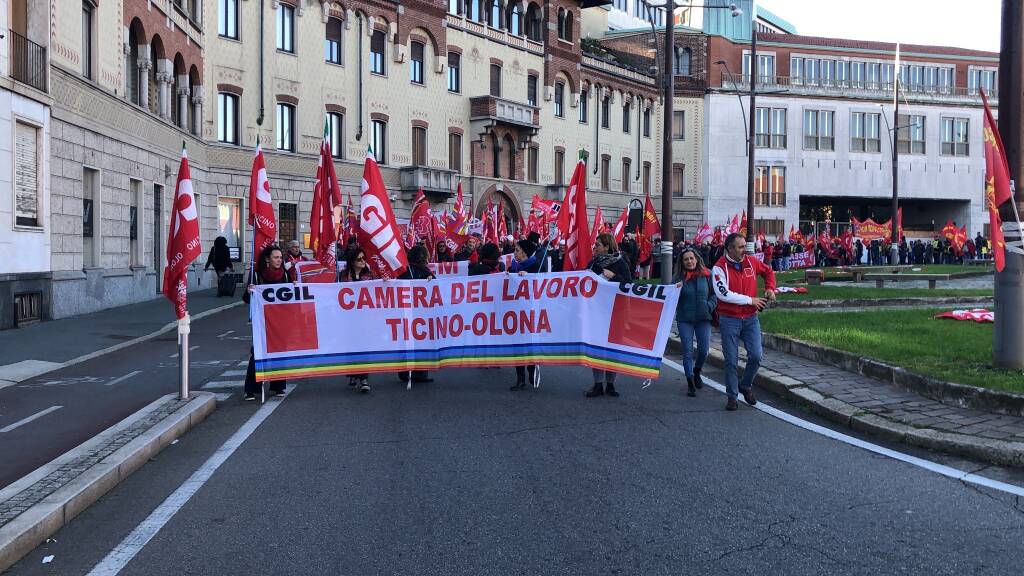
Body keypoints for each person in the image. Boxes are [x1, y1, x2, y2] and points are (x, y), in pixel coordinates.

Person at [712, 233, 776, 411]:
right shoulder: (719, 268)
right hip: (729, 319)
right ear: (729, 249)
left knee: (756, 355)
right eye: (740, 247)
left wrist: (770, 288)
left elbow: (768, 271)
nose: (744, 250)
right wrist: (751, 300)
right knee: (731, 361)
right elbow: (723, 294)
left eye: (745, 246)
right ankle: (732, 397)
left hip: (750, 319)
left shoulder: (751, 262)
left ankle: (745, 385)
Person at [243, 244, 294, 401]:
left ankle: (278, 385)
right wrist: (249, 291)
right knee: (258, 352)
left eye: (280, 258)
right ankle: (252, 388)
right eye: (276, 257)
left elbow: (292, 296)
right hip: (262, 320)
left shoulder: (285, 275)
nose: (279, 260)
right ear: (267, 259)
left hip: (281, 320)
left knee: (280, 351)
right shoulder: (257, 275)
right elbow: (245, 299)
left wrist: (295, 288)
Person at [585, 233, 633, 398]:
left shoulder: (621, 263)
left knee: (613, 348)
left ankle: (611, 383)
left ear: (606, 247)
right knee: (597, 347)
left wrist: (614, 277)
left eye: (597, 245)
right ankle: (598, 384)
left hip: (616, 312)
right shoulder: (592, 264)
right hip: (597, 311)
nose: (595, 247)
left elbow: (628, 286)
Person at [674, 248, 716, 397]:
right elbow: (670, 297)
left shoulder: (707, 275)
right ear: (682, 262)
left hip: (703, 318)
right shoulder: (678, 278)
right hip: (685, 319)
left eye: (691, 258)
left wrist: (710, 305)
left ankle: (697, 371)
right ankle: (690, 382)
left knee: (704, 350)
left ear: (697, 259)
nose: (689, 261)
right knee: (687, 351)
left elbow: (715, 294)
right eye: (686, 259)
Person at [398, 245, 436, 384]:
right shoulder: (424, 272)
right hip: (420, 315)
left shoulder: (403, 270)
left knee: (405, 342)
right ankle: (420, 373)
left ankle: (403, 372)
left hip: (404, 313)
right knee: (420, 343)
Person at [508, 239, 541, 391]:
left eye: (517, 250)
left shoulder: (536, 266)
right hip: (515, 312)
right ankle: (520, 378)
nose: (514, 253)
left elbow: (545, 284)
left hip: (532, 312)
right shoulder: (513, 267)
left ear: (525, 253)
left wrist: (529, 277)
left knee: (531, 344)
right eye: (515, 249)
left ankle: (532, 372)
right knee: (518, 346)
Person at [342, 248, 373, 393]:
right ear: (352, 261)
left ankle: (364, 378)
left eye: (364, 258)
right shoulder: (342, 276)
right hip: (348, 318)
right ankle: (353, 373)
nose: (363, 261)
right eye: (359, 259)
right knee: (351, 347)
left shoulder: (369, 275)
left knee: (363, 347)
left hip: (364, 318)